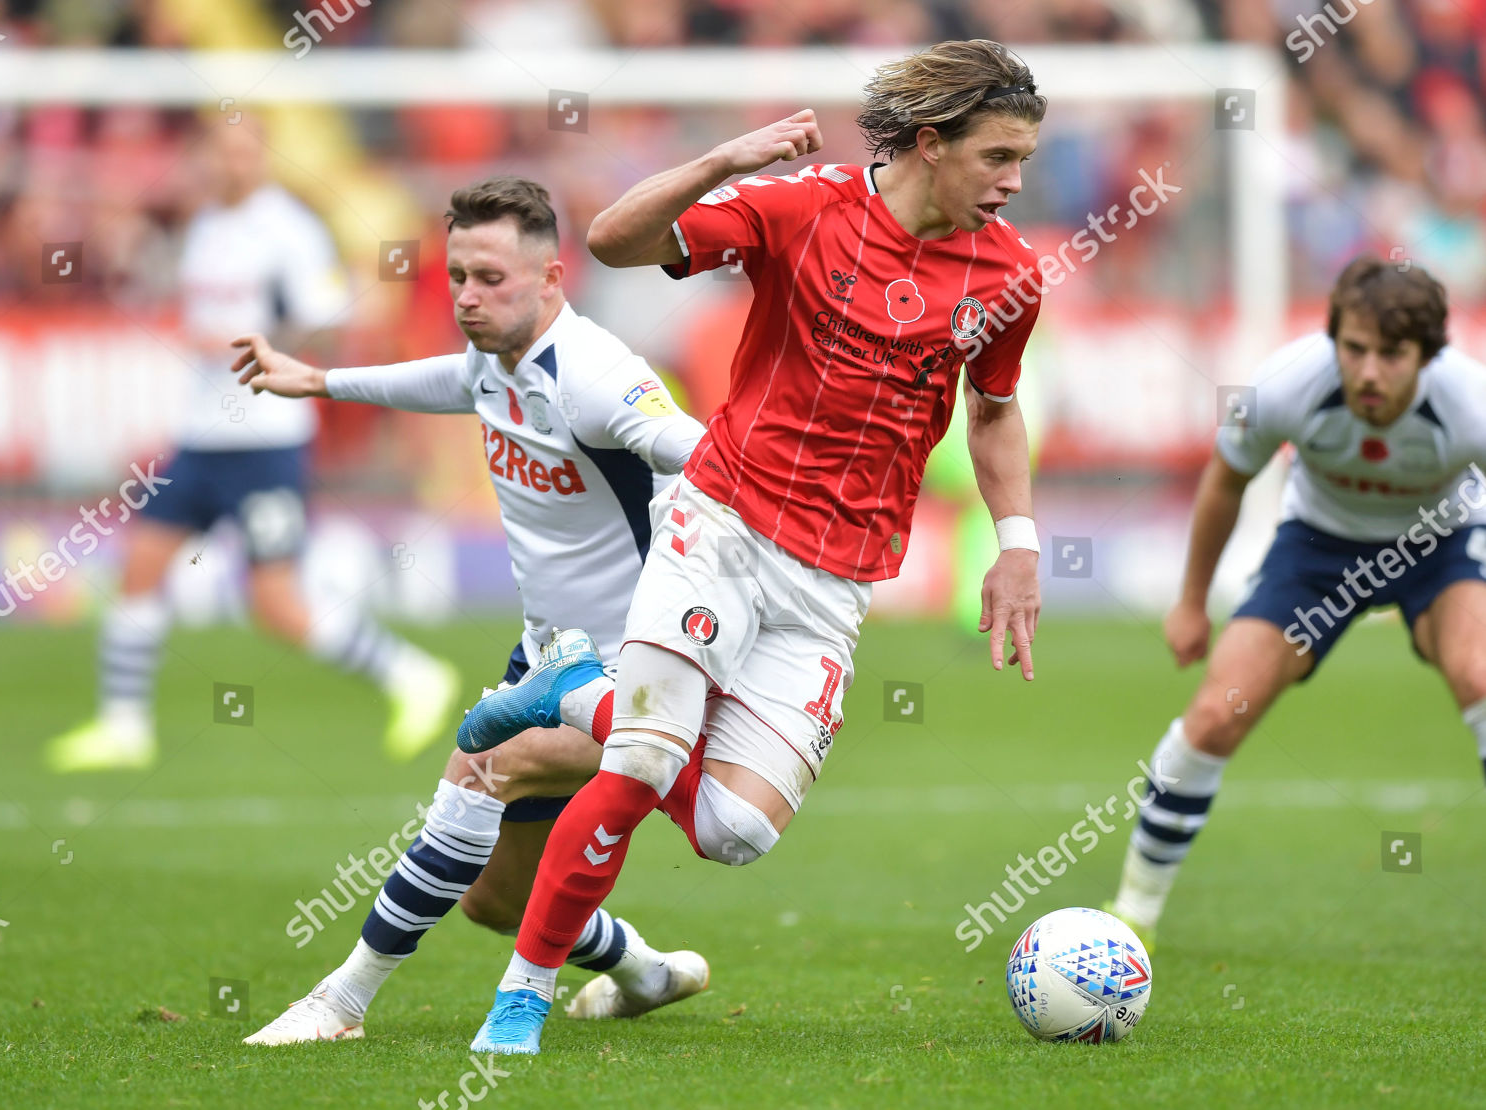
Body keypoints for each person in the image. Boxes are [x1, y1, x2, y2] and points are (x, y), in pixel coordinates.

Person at [459, 38, 1048, 1055]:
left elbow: (993, 414)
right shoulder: (804, 207)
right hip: (720, 523)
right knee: (642, 761)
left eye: (1023, 160)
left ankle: (577, 692)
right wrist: (727, 160)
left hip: (836, 580)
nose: (1015, 182)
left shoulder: (1008, 275)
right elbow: (611, 240)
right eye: (998, 156)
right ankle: (519, 1002)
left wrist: (1021, 543)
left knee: (736, 833)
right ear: (929, 142)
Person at [233, 176, 712, 1044]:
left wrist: (684, 522)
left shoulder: (597, 378)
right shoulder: (492, 367)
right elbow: (442, 382)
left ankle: (340, 1004)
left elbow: (702, 452)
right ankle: (644, 972)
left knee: (480, 767)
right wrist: (319, 379)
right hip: (545, 660)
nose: (467, 297)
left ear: (552, 278)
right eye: (457, 276)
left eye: (490, 278)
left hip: (635, 671)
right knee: (493, 901)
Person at [45, 116, 458, 772]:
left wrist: (261, 339)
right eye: (222, 153)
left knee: (276, 603)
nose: (233, 164)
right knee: (141, 566)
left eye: (244, 153)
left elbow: (331, 319)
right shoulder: (205, 226)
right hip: (203, 433)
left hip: (266, 439)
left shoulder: (288, 230)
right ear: (207, 156)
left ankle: (412, 675)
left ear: (261, 156)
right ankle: (123, 727)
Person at [1106, 257, 1486, 949]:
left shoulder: (1472, 404)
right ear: (1334, 339)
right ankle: (1134, 913)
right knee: (1218, 713)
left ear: (1429, 355)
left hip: (1442, 542)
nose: (1369, 371)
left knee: (1480, 675)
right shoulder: (1285, 384)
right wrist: (1191, 602)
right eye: (1355, 349)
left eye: (1392, 355)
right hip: (1318, 550)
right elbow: (1227, 481)